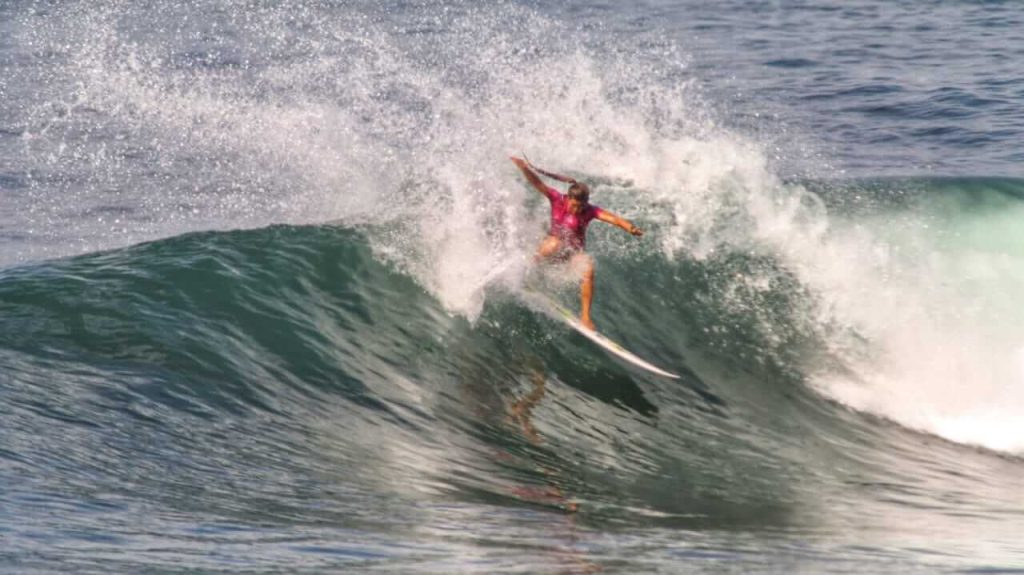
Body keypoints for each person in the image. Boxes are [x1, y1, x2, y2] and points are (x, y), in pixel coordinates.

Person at [511, 156, 643, 331]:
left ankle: (586, 317)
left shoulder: (590, 211)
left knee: (588, 268)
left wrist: (630, 227)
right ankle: (525, 274)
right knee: (554, 244)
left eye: (581, 206)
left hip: (572, 254)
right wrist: (524, 168)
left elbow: (613, 218)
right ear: (568, 199)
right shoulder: (557, 199)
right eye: (575, 205)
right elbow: (537, 183)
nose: (578, 210)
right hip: (551, 249)